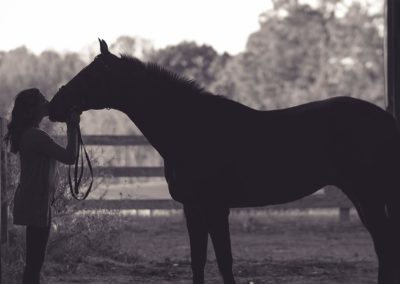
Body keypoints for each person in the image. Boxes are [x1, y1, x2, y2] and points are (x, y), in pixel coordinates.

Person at [4, 88, 80, 284]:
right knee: (35, 262)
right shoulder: (36, 136)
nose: (47, 103)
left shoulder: (29, 134)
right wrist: (72, 125)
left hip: (34, 199)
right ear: (34, 109)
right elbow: (70, 157)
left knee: (34, 261)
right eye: (43, 101)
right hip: (36, 201)